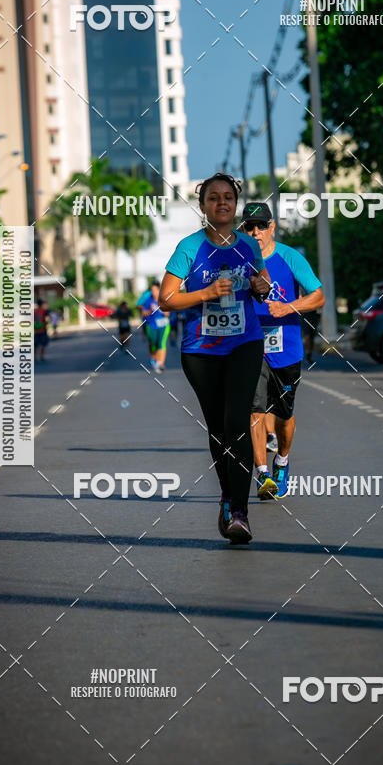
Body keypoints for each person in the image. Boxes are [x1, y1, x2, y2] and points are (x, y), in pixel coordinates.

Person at [159, 172, 270, 544]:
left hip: (245, 343)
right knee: (219, 428)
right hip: (201, 351)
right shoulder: (188, 248)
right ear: (203, 205)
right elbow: (167, 300)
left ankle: (240, 512)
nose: (221, 203)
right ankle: (227, 494)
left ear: (235, 204)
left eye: (227, 197)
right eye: (213, 198)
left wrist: (260, 287)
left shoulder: (248, 246)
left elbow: (263, 284)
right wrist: (206, 292)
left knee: (237, 421)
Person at [240, 202, 325, 499]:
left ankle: (282, 461)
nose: (255, 232)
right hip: (250, 348)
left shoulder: (290, 258)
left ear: (271, 227)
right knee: (254, 409)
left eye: (261, 226)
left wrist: (288, 307)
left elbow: (318, 297)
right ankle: (263, 475)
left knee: (284, 415)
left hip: (286, 349)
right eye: (249, 227)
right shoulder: (238, 260)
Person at [141, 281, 170, 372]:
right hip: (151, 325)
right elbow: (143, 313)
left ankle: (160, 363)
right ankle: (153, 358)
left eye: (155, 290)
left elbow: (167, 314)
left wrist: (161, 309)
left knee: (161, 343)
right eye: (152, 290)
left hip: (164, 325)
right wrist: (150, 309)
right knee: (154, 344)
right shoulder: (148, 300)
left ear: (159, 290)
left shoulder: (163, 299)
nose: (153, 292)